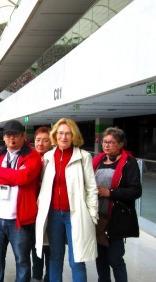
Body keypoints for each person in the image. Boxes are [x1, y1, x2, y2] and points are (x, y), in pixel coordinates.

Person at [35, 118, 98, 282]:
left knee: (77, 259)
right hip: (54, 214)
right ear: (55, 135)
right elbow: (43, 185)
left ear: (73, 136)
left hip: (75, 214)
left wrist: (92, 215)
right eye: (60, 133)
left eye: (68, 133)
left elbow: (91, 188)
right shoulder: (48, 157)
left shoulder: (84, 157)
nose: (64, 137)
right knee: (55, 258)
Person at [0, 120, 42, 282]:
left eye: (15, 135)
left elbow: (24, 177)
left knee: (22, 260)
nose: (12, 139)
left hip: (19, 220)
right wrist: (14, 175)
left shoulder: (32, 156)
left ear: (23, 136)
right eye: (8, 135)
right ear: (3, 137)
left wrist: (0, 172)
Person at [93, 127, 142, 282]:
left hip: (116, 218)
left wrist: (110, 193)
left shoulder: (129, 163)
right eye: (105, 142)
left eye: (111, 142)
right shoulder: (98, 160)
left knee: (115, 259)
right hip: (97, 217)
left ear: (121, 144)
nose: (106, 145)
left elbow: (135, 191)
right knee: (100, 259)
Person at [31, 126, 52, 282]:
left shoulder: (53, 159)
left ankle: (49, 277)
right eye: (38, 140)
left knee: (50, 245)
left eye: (46, 140)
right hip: (33, 208)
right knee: (36, 244)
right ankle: (36, 275)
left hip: (51, 209)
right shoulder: (30, 157)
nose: (41, 144)